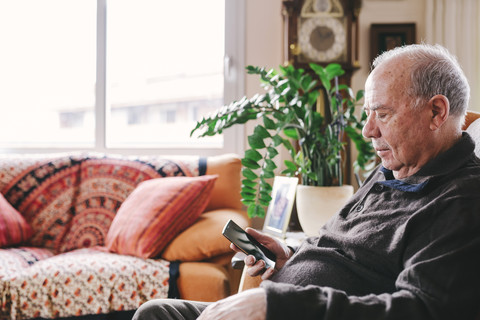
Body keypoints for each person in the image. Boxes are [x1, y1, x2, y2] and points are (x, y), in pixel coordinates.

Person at [133, 43, 480, 320]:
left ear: (436, 112)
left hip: (289, 313)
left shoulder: (462, 200)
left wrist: (275, 306)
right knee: (158, 312)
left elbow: (421, 310)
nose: (368, 130)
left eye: (384, 114)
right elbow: (345, 253)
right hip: (280, 306)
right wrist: (288, 257)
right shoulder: (393, 169)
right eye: (368, 113)